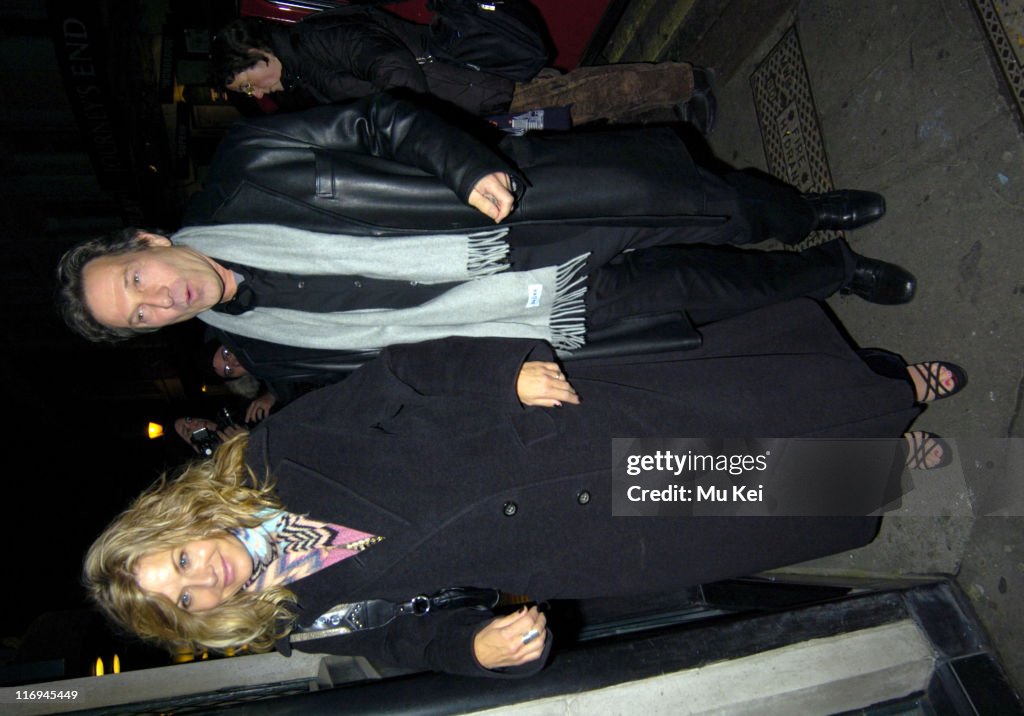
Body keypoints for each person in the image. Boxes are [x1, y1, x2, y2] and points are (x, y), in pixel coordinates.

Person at [84, 300, 967, 677]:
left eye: (185, 563)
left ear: (183, 522)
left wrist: (502, 375)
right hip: (577, 535)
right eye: (187, 600)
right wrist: (473, 650)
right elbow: (406, 645)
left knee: (755, 408)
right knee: (754, 481)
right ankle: (895, 453)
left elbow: (398, 377)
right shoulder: (300, 622)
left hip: (558, 428)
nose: (207, 583)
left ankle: (898, 389)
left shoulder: (278, 451)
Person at [56, 95, 912, 366]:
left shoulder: (249, 164)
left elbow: (383, 122)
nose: (164, 298)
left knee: (719, 206)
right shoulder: (274, 350)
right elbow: (408, 364)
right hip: (534, 313)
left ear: (147, 242)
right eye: (143, 316)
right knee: (716, 292)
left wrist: (463, 166)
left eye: (137, 282)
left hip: (517, 213)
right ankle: (832, 270)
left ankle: (804, 215)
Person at [213, 11, 717, 131]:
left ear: (256, 59)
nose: (255, 95)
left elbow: (387, 62)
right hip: (460, 94)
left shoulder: (313, 43)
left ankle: (685, 81)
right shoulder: (304, 71)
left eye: (246, 85)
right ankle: (670, 96)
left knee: (582, 95)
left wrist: (409, 120)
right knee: (577, 103)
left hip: (463, 84)